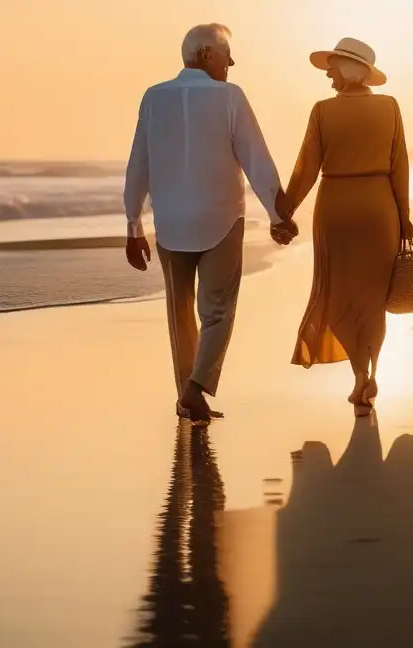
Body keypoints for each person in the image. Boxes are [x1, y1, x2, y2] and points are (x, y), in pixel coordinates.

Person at [124, 23, 298, 423]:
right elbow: (256, 158)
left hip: (169, 223)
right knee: (218, 310)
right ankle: (195, 389)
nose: (231, 62)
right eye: (227, 54)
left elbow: (139, 164)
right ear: (206, 55)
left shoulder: (153, 98)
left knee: (179, 312)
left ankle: (187, 397)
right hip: (220, 218)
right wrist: (278, 216)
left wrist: (133, 225)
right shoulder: (230, 97)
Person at [274, 38, 413, 416]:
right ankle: (370, 373)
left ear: (351, 69)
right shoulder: (390, 107)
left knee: (337, 295)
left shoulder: (322, 112)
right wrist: (405, 218)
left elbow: (305, 169)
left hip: (335, 207)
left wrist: (283, 211)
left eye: (331, 68)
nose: (328, 76)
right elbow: (399, 165)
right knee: (372, 301)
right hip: (378, 209)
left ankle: (358, 376)